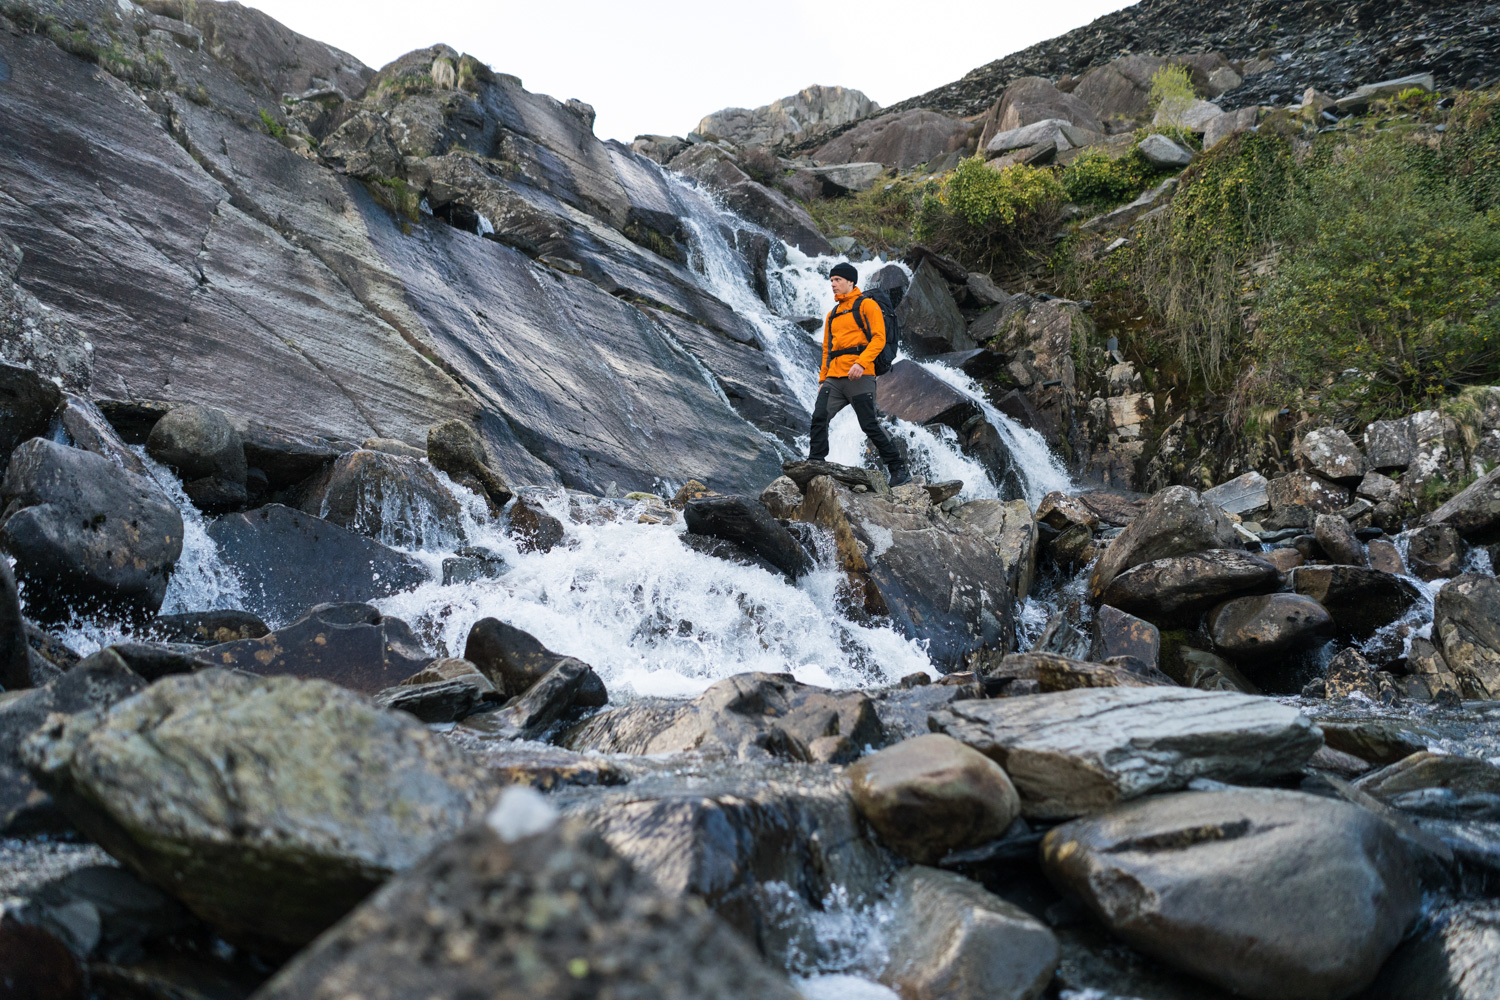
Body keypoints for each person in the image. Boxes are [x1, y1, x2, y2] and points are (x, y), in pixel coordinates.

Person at [808, 262, 909, 486]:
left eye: (838, 280)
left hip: (860, 377)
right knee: (819, 417)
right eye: (831, 280)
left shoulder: (867, 305)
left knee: (869, 425)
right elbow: (827, 349)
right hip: (834, 378)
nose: (833, 284)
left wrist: (862, 363)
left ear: (850, 282)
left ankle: (898, 469)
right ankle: (815, 462)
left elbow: (879, 339)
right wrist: (823, 379)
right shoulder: (832, 314)